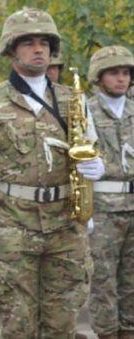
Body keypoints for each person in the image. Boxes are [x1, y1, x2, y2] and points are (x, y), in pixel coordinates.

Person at [0, 7, 105, 337]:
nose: (38, 49)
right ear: (11, 50)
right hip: (14, 226)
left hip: (66, 226)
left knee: (62, 323)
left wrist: (97, 166)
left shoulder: (72, 100)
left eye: (44, 42)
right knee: (18, 323)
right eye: (28, 42)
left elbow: (93, 147)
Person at [85, 46, 134, 339]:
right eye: (114, 72)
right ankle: (106, 334)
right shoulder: (85, 110)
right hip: (102, 208)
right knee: (103, 283)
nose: (121, 79)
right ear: (99, 77)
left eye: (126, 72)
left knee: (131, 281)